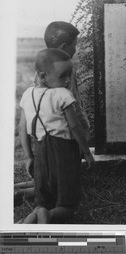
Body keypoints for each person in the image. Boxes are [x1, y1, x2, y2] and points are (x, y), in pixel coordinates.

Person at [14, 21, 90, 206]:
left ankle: (20, 189)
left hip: (44, 139)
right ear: (64, 47)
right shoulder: (63, 75)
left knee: (49, 174)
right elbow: (72, 110)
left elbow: (24, 123)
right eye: (75, 45)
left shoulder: (44, 73)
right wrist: (84, 144)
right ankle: (24, 192)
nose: (76, 49)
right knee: (64, 179)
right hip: (64, 137)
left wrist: (28, 155)